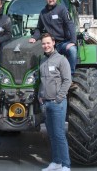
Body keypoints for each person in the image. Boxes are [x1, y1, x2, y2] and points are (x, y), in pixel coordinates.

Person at [39, 33, 72, 171]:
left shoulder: (61, 60)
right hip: (45, 103)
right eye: (44, 44)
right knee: (51, 135)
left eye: (48, 43)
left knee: (59, 135)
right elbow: (41, 81)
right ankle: (56, 162)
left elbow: (67, 80)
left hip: (57, 103)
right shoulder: (42, 60)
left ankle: (66, 165)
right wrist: (39, 96)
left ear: (53, 43)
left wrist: (59, 98)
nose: (46, 46)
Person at [29, 0, 77, 75]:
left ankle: (70, 76)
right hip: (50, 44)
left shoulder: (62, 9)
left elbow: (70, 24)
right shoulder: (43, 13)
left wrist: (73, 41)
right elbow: (39, 28)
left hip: (63, 43)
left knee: (72, 50)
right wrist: (34, 37)